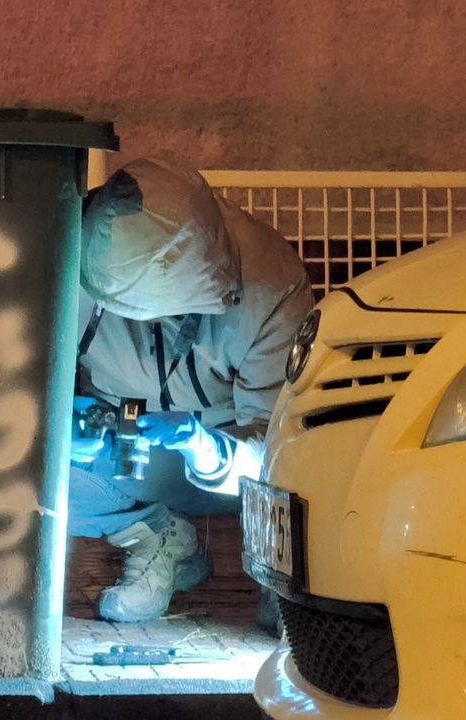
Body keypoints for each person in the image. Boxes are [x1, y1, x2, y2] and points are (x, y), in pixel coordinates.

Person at [68, 158, 313, 623]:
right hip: (116, 445)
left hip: (226, 452)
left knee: (311, 462)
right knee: (16, 462)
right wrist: (69, 419)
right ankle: (156, 536)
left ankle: (275, 571)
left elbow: (279, 445)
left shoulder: (270, 287)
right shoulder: (71, 253)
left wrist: (209, 450)